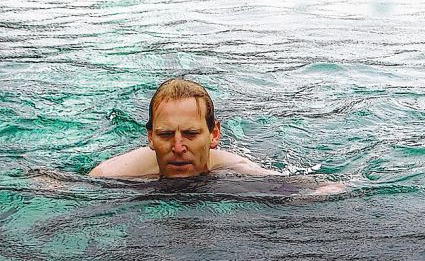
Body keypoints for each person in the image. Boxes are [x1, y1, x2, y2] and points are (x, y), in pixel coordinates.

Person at [90, 78, 344, 194]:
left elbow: (319, 187)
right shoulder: (110, 175)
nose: (178, 147)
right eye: (166, 134)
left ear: (213, 135)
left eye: (190, 134)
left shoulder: (237, 168)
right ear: (150, 137)